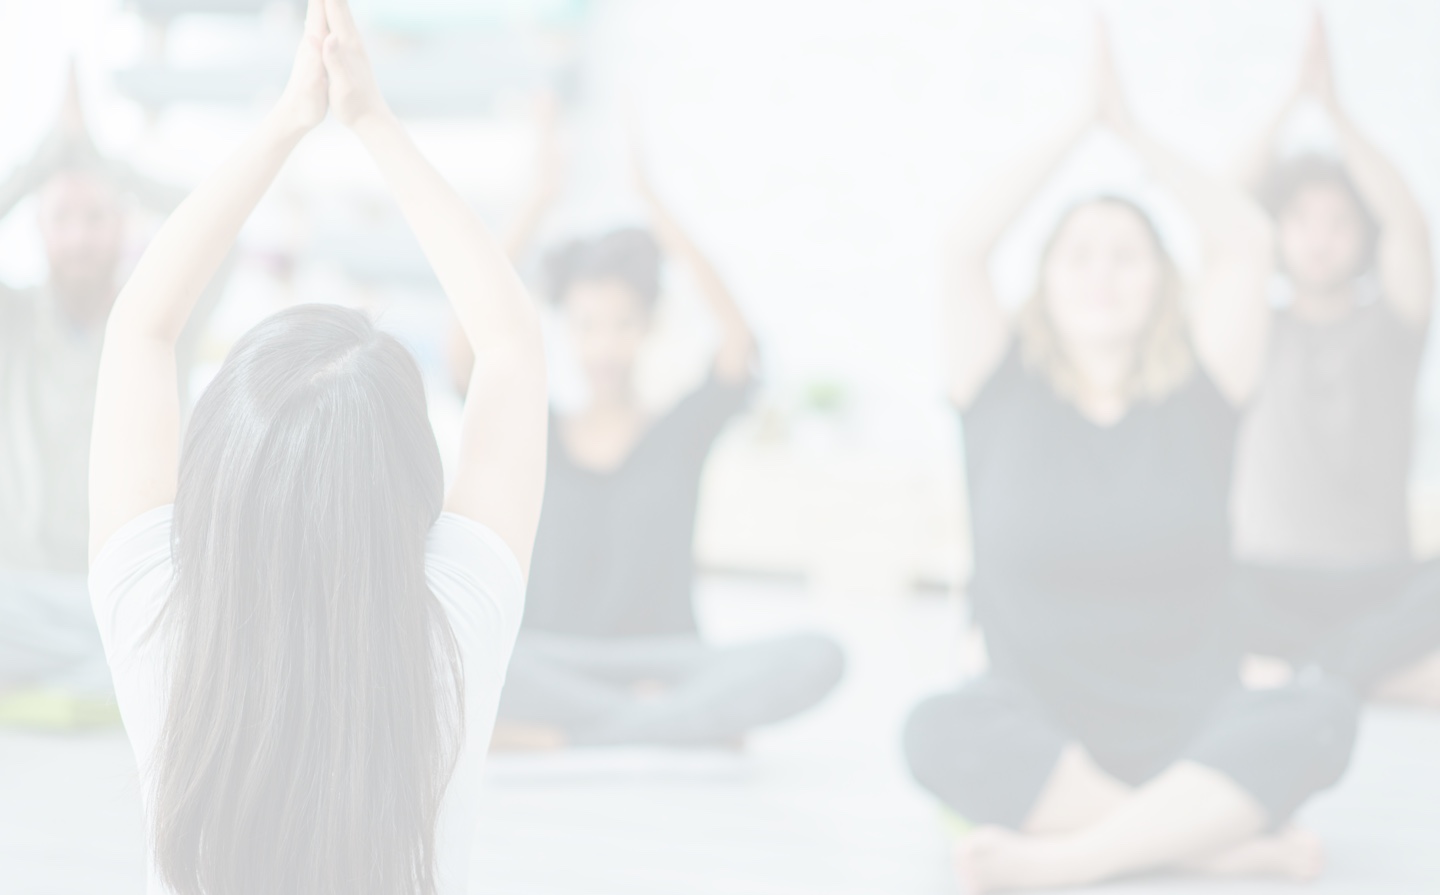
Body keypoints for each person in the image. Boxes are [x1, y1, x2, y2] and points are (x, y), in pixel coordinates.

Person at [87, 1, 547, 892]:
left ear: (215, 470)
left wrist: (287, 120)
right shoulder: (452, 630)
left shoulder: (156, 620)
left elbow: (140, 327)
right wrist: (370, 119)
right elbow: (511, 346)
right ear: (410, 481)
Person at [903, 24, 1357, 891]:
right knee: (935, 728)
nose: (1102, 272)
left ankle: (1075, 857)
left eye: (1127, 255)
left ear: (1160, 282)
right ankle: (1202, 840)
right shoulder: (998, 390)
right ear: (1044, 280)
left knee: (1324, 711)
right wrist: (1079, 124)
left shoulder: (1201, 392)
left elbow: (1248, 243)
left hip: (1193, 722)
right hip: (1042, 725)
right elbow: (962, 243)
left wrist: (1136, 132)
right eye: (1079, 254)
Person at [451, 132, 843, 750]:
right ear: (567, 331)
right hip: (556, 661)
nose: (604, 346)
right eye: (586, 327)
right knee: (466, 652)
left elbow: (738, 341)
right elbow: (464, 340)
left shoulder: (678, 432)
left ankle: (567, 736)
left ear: (649, 326)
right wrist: (539, 198)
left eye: (623, 325)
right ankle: (661, 728)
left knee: (820, 655)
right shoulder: (538, 429)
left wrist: (656, 205)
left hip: (669, 662)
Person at [1229, 13, 1439, 708]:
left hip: (1377, 584)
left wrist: (1338, 113)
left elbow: (1411, 226)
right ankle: (1358, 678)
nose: (1320, 240)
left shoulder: (1393, 323)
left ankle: (1307, 674)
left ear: (1362, 236)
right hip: (1262, 581)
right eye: (1302, 222)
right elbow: (1224, 218)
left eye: (1339, 222)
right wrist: (1292, 102)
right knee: (1190, 579)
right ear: (1278, 234)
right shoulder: (1254, 326)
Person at [0, 65, 219, 721]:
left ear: (124, 226)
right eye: (62, 218)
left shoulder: (161, 322)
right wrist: (48, 157)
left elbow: (215, 219)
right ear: (38, 229)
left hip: (131, 593)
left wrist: (100, 159)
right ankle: (98, 684)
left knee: (193, 636)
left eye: (96, 218)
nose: (79, 237)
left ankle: (93, 682)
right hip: (26, 592)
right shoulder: (14, 323)